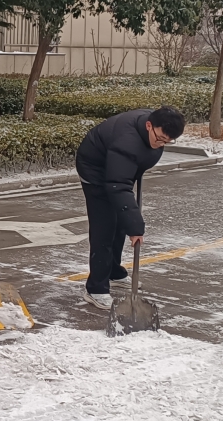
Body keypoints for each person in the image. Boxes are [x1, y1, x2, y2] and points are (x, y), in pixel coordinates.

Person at [75, 105, 185, 310]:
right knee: (104, 226)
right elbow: (118, 185)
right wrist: (136, 227)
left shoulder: (150, 131)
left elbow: (125, 176)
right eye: (160, 138)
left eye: (167, 142)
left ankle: (114, 272)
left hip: (116, 168)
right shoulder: (127, 142)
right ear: (149, 125)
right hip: (94, 168)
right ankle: (96, 288)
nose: (161, 144)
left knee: (119, 222)